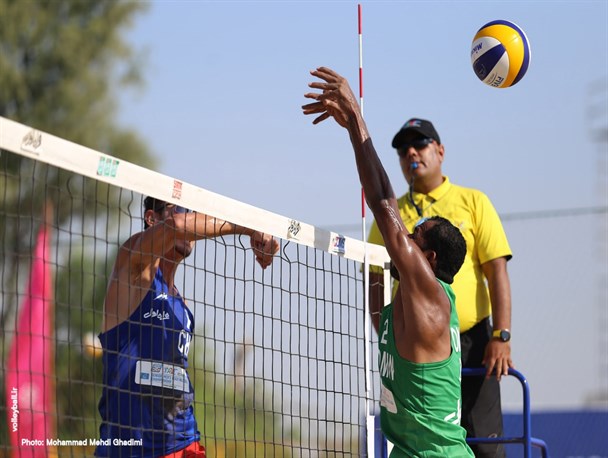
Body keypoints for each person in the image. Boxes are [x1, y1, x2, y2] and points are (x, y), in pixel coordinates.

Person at [303, 66, 474, 457]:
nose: (404, 239)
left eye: (415, 237)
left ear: (427, 259)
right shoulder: (409, 313)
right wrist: (373, 266)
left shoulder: (432, 296)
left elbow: (383, 201)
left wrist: (355, 121)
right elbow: (380, 317)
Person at [367, 116, 514, 457]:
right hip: (415, 339)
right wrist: (389, 329)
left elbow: (497, 271)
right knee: (422, 433)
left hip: (475, 339)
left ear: (440, 151)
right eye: (403, 150)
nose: (411, 153)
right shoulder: (399, 212)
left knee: (487, 445)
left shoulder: (473, 201)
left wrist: (501, 335)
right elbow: (374, 273)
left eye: (419, 145)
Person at [95, 197, 279, 458]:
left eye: (193, 213)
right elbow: (177, 225)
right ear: (152, 219)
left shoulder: (182, 305)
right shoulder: (134, 267)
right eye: (182, 209)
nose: (191, 219)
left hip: (182, 444)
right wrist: (250, 227)